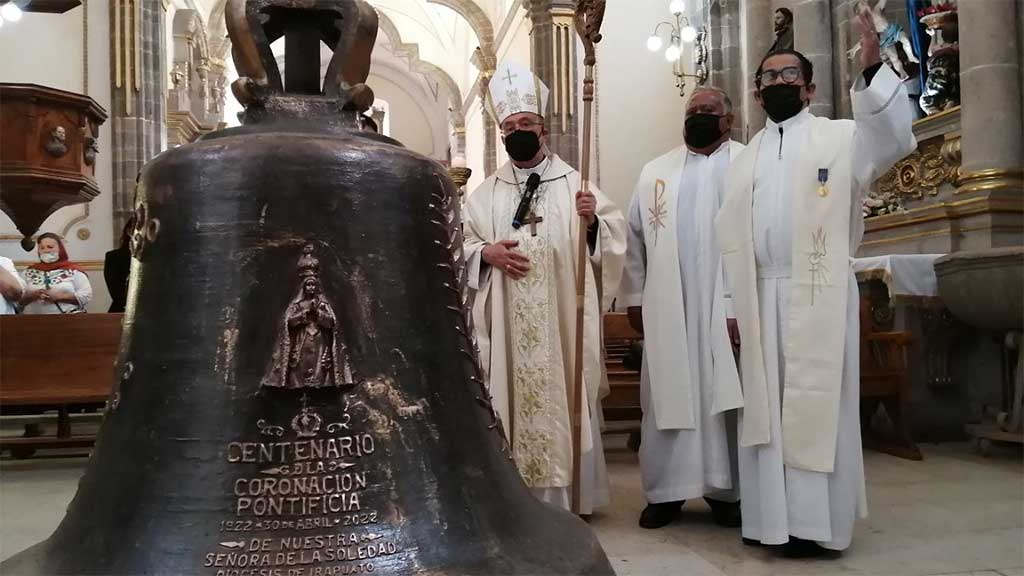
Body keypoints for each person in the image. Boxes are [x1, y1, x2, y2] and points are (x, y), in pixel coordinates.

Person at [714, 9, 916, 557]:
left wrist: (873, 69)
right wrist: (731, 301)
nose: (778, 84)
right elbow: (727, 239)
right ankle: (770, 523)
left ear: (808, 87)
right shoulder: (743, 159)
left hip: (818, 292)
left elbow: (893, 137)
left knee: (815, 408)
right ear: (756, 94)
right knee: (767, 417)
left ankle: (817, 526)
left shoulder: (842, 137)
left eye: (788, 76)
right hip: (759, 296)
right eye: (769, 79)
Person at [463, 60, 627, 516]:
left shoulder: (577, 184)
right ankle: (519, 503)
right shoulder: (486, 194)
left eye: (526, 123)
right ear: (501, 134)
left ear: (544, 129)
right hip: (507, 325)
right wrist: (486, 254)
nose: (517, 130)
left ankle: (572, 499)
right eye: (509, 125)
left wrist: (593, 222)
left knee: (566, 392)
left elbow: (613, 243)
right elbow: (462, 243)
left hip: (562, 324)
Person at [619, 87, 745, 529]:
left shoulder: (747, 165)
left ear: (728, 119)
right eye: (692, 110)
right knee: (664, 398)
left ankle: (727, 491)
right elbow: (634, 242)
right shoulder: (656, 173)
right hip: (667, 305)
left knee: (728, 395)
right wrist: (634, 296)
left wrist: (736, 304)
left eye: (708, 111)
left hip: (725, 304)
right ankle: (666, 493)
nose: (698, 116)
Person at [19, 233, 93, 315]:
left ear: (60, 249)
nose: (46, 250)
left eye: (50, 247)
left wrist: (59, 296)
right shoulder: (28, 272)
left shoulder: (73, 270)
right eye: (42, 248)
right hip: (31, 322)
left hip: (67, 322)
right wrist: (33, 295)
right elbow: (17, 299)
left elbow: (86, 295)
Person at [104, 218, 134, 313]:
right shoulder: (114, 257)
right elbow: (117, 294)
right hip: (122, 311)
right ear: (129, 231)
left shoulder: (160, 257)